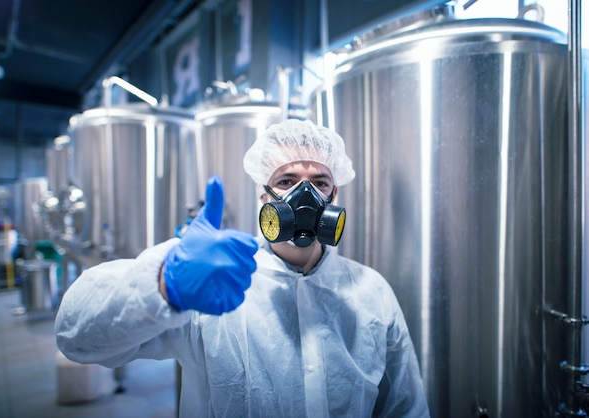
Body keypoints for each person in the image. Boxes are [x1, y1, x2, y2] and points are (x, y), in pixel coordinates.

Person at [55, 118, 430, 417]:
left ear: (335, 196)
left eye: (320, 183)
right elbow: (76, 336)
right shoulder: (217, 286)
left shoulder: (372, 292)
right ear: (264, 195)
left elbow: (405, 405)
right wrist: (164, 285)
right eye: (287, 181)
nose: (306, 196)